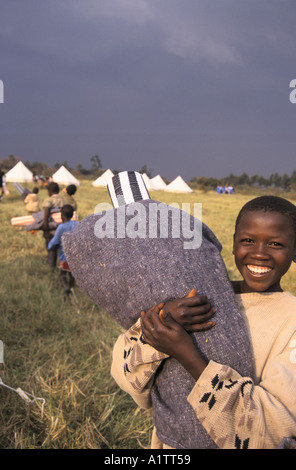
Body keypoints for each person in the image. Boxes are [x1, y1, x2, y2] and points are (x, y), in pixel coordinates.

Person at [111, 195, 296, 449]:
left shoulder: (291, 319)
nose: (259, 253)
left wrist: (187, 354)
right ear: (233, 244)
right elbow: (123, 375)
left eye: (275, 243)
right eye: (248, 241)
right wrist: (162, 322)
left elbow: (276, 429)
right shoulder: (193, 299)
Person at [47, 204, 79, 295]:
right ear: (73, 215)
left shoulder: (61, 227)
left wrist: (49, 246)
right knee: (72, 274)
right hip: (76, 256)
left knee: (63, 274)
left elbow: (55, 241)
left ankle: (66, 288)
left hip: (65, 257)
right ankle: (72, 287)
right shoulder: (77, 224)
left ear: (61, 215)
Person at [42, 182, 67, 268]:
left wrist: (45, 225)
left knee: (51, 248)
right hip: (63, 228)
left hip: (51, 229)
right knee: (62, 249)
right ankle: (62, 267)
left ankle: (52, 267)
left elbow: (46, 210)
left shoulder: (49, 200)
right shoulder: (64, 200)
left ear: (49, 191)